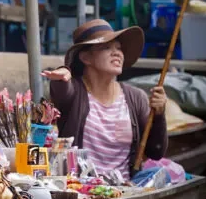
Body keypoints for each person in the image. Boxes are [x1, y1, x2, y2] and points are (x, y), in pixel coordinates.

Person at [42, 19, 167, 179]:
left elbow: (155, 152)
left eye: (119, 48)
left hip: (125, 189)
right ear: (86, 58)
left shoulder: (136, 97)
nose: (117, 53)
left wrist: (159, 115)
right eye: (106, 47)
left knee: (160, 174)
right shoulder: (76, 92)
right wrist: (63, 73)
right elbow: (60, 89)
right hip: (82, 189)